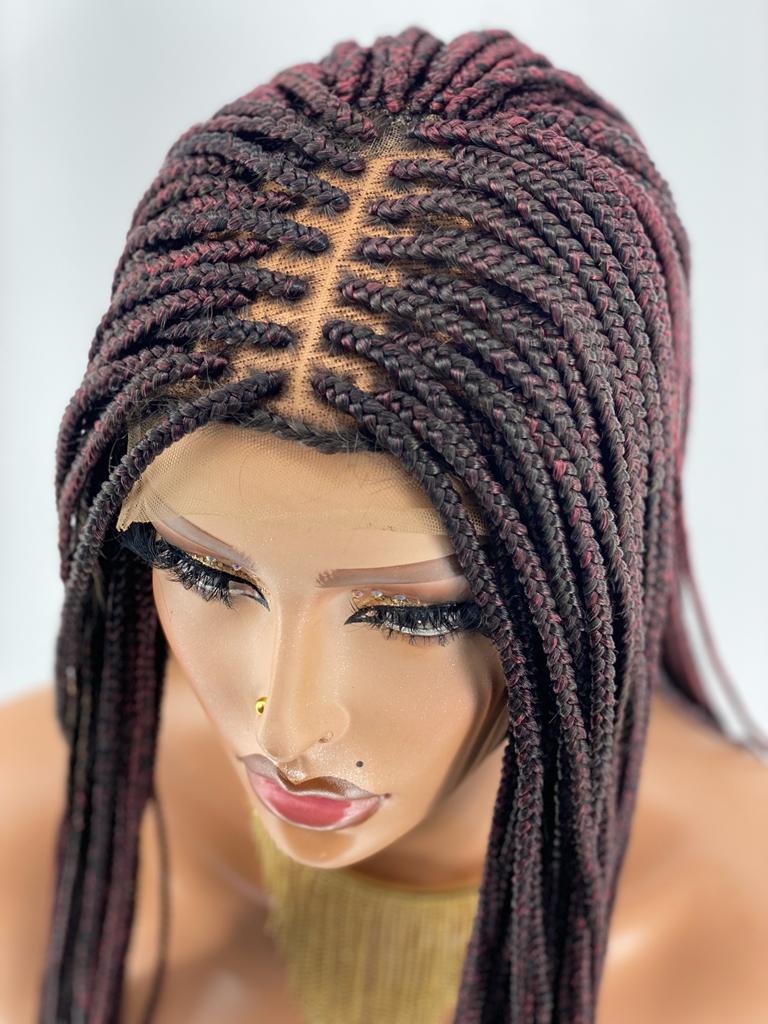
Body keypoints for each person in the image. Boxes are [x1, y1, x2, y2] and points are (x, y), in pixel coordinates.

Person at [1, 23, 767, 1024]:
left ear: (588, 553)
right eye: (204, 572)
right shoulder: (23, 839)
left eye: (411, 614)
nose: (287, 724)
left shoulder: (741, 936)